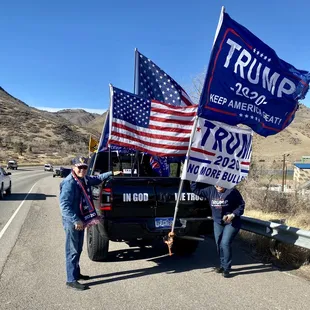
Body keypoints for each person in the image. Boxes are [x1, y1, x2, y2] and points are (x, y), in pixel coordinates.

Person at [59, 156, 122, 290]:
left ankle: (76, 273)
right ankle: (71, 280)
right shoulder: (70, 183)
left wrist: (111, 173)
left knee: (78, 248)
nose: (82, 169)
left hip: (81, 220)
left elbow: (98, 179)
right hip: (73, 221)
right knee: (72, 250)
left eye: (84, 167)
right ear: (73, 167)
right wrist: (75, 220)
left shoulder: (84, 179)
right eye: (79, 167)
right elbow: (64, 205)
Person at [190, 182, 245, 278]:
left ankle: (227, 268)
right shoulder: (210, 190)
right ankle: (222, 265)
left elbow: (241, 205)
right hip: (218, 222)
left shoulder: (232, 191)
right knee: (219, 243)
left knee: (225, 243)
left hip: (232, 222)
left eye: (221, 184)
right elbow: (196, 190)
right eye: (217, 184)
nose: (219, 186)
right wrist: (194, 179)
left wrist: (233, 214)